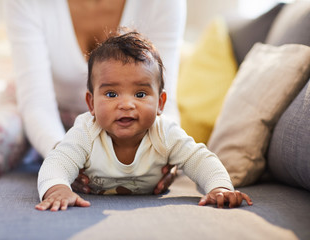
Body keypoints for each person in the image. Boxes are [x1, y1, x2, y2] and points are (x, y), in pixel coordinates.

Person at [0, 0, 186, 229]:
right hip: (40, 109)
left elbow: (163, 97)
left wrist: (165, 154)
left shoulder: (163, 3)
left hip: (111, 121)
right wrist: (66, 159)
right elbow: (37, 102)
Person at [36, 30, 253, 211]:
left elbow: (200, 159)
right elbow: (58, 162)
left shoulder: (164, 133)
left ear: (160, 103)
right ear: (91, 103)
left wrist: (219, 187)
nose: (126, 104)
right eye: (111, 94)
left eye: (140, 94)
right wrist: (58, 188)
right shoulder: (86, 131)